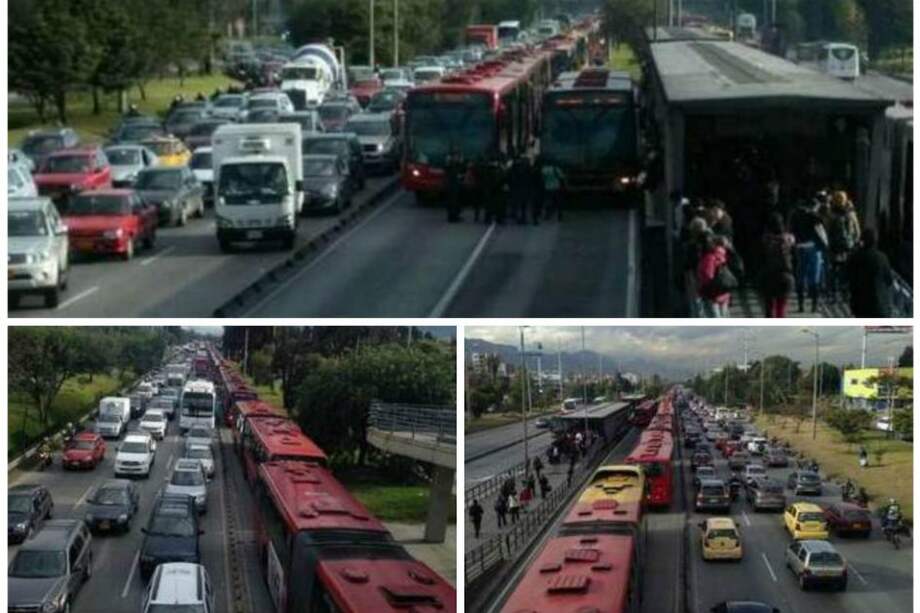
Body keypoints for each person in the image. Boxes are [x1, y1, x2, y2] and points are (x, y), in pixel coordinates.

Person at [789, 197, 828, 312]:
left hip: (799, 247)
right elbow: (822, 234)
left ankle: (800, 305)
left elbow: (791, 231)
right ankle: (814, 306)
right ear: (815, 206)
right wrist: (825, 246)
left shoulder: (795, 215)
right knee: (814, 278)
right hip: (813, 248)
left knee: (800, 276)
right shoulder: (815, 217)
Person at [846, 229, 894, 317]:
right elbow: (889, 280)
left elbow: (848, 278)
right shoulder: (882, 257)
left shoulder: (855, 257)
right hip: (881, 307)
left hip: (861, 306)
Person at [758, 212, 795, 317]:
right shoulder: (788, 239)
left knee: (769, 307)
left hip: (768, 275)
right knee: (781, 307)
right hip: (785, 275)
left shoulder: (765, 239)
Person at [826, 191, 860, 303]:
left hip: (837, 247)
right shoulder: (851, 214)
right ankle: (843, 293)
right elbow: (857, 231)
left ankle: (834, 294)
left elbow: (827, 231)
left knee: (835, 271)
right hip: (846, 248)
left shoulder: (832, 215)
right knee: (844, 271)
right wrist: (854, 242)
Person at [697, 233, 732, 317]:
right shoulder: (724, 254)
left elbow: (708, 275)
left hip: (712, 293)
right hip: (724, 291)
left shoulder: (710, 257)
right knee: (724, 315)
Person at [508, 155, 532, 224]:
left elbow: (511, 178)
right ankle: (522, 217)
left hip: (517, 188)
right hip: (524, 188)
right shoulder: (528, 169)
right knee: (523, 205)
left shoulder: (515, 169)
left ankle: (517, 216)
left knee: (517, 203)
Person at [444, 147, 465, 223]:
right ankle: (452, 217)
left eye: (458, 156)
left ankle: (455, 215)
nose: (457, 157)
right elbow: (452, 174)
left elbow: (462, 170)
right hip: (452, 186)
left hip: (456, 185)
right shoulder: (450, 164)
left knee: (457, 201)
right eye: (456, 156)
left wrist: (461, 163)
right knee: (452, 202)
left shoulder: (457, 164)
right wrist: (458, 176)